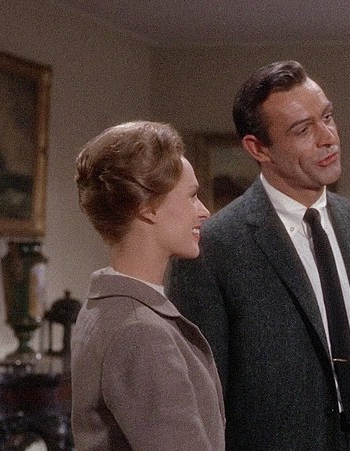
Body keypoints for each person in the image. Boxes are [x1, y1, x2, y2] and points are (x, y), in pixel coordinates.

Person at [166, 60, 350, 450]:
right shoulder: (214, 248)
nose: (328, 138)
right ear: (258, 148)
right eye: (303, 130)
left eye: (328, 117)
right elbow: (203, 393)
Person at [71, 121, 224, 450]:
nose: (204, 212)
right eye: (192, 196)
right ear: (148, 207)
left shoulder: (106, 307)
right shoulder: (141, 331)